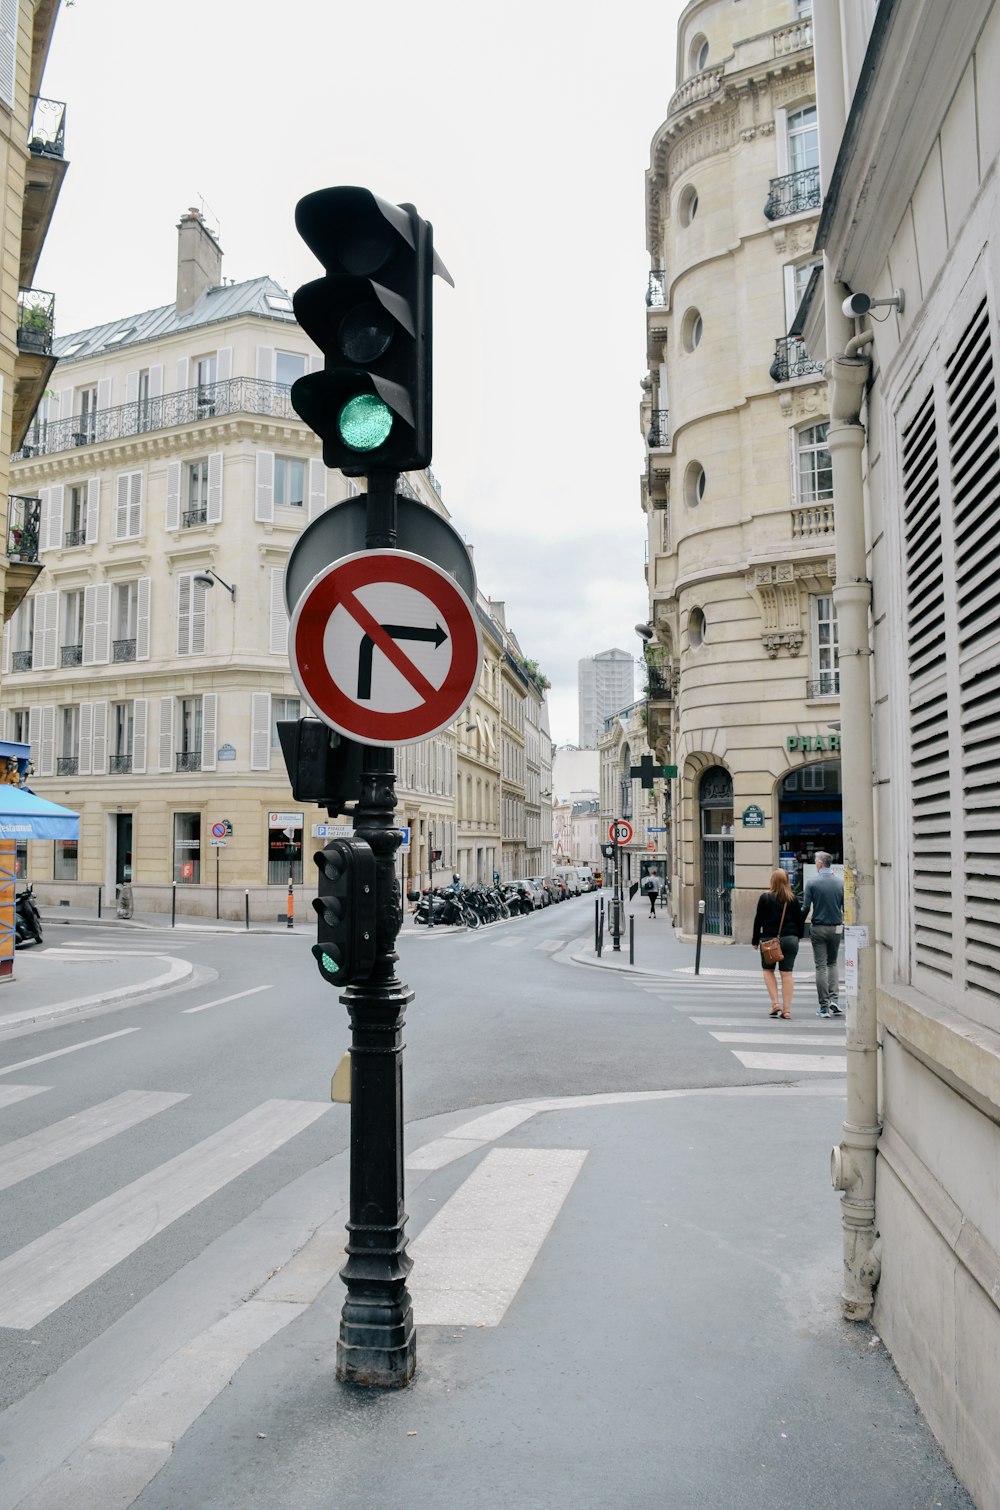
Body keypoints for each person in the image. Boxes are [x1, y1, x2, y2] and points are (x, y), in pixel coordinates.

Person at [751, 868, 806, 1019]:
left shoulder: (765, 898)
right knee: (787, 973)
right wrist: (797, 937)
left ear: (772, 881)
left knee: (768, 970)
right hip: (790, 939)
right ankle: (786, 1010)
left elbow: (758, 921)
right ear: (787, 881)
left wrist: (755, 941)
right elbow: (799, 921)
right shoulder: (793, 899)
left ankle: (775, 1003)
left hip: (769, 940)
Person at [803, 850, 845, 1017]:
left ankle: (823, 1006)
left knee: (820, 966)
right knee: (833, 963)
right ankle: (835, 1000)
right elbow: (845, 907)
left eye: (815, 861)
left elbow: (805, 907)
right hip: (836, 927)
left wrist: (799, 923)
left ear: (820, 864)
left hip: (818, 927)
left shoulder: (812, 883)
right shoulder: (840, 883)